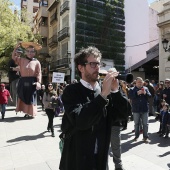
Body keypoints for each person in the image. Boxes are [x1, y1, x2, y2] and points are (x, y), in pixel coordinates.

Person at [59, 46, 131, 170]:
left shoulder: (104, 90)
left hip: (100, 159)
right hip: (76, 159)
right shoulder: (71, 90)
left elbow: (124, 114)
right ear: (80, 67)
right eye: (93, 64)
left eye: (99, 64)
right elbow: (80, 121)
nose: (98, 67)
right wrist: (103, 95)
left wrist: (115, 91)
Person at [12, 42, 42, 118]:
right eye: (28, 51)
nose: (30, 53)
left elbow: (39, 73)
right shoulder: (21, 60)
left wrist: (38, 82)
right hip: (23, 81)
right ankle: (26, 112)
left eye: (32, 51)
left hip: (32, 82)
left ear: (34, 53)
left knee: (31, 97)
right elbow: (13, 57)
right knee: (23, 96)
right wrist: (15, 48)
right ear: (25, 52)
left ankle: (31, 113)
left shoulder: (37, 62)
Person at [129, 77, 151, 143]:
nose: (140, 83)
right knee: (136, 124)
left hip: (144, 109)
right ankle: (136, 136)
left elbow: (150, 96)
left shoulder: (146, 88)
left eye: (141, 82)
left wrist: (145, 93)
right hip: (136, 109)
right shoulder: (132, 89)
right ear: (135, 82)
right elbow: (130, 97)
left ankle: (145, 137)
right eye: (138, 82)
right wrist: (136, 93)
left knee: (145, 124)